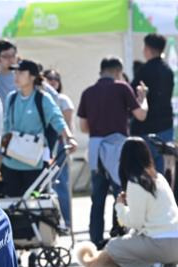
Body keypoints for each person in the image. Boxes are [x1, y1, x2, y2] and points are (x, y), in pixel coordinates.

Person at [77, 56, 148, 247]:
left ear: (101, 71)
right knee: (122, 191)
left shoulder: (88, 92)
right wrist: (143, 97)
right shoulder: (122, 87)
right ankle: (120, 234)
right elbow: (140, 115)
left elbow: (83, 127)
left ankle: (96, 240)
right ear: (118, 71)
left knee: (97, 196)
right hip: (118, 148)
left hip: (96, 149)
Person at [0, 60, 76, 197]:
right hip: (11, 162)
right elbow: (6, 129)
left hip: (35, 163)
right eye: (15, 72)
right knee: (11, 204)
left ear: (32, 76)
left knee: (34, 205)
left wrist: (69, 138)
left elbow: (57, 119)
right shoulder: (12, 98)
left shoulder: (43, 98)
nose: (16, 75)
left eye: (21, 72)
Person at [105, 137, 178, 267]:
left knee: (113, 247)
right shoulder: (160, 179)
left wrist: (119, 206)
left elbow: (135, 223)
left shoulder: (136, 183)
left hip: (162, 245)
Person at [131, 33, 175, 173]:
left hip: (146, 128)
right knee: (164, 172)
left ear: (148, 49)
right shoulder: (168, 71)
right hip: (166, 126)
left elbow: (132, 95)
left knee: (146, 171)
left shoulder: (144, 70)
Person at [44, 69, 75, 228]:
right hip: (45, 145)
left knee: (61, 184)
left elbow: (66, 124)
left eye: (56, 78)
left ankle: (66, 221)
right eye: (49, 78)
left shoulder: (62, 99)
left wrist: (68, 141)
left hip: (60, 144)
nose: (52, 81)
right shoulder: (42, 98)